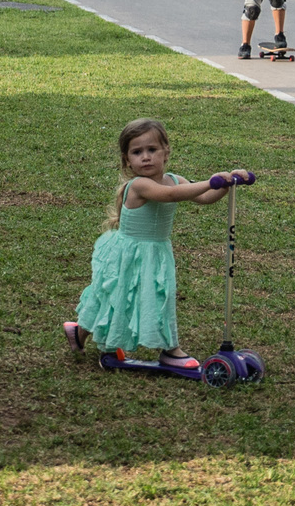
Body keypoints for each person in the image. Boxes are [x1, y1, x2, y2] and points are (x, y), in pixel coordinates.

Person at [66, 118, 244, 376]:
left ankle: (170, 349)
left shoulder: (174, 179)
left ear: (166, 151)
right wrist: (210, 180)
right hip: (129, 253)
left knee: (162, 297)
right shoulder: (139, 185)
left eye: (152, 150)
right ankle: (79, 331)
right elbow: (169, 196)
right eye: (137, 152)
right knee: (113, 299)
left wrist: (225, 185)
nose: (145, 158)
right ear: (127, 159)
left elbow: (205, 198)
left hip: (157, 252)